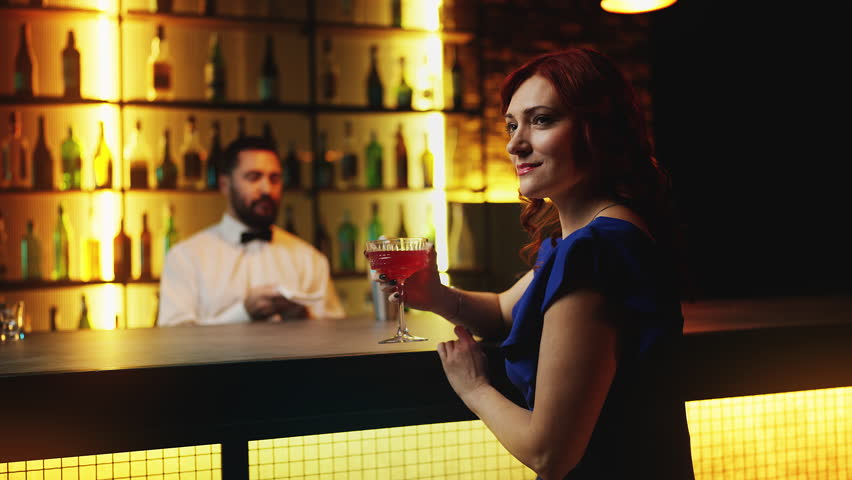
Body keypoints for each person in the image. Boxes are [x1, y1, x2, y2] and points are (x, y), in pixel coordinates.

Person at [376, 48, 694, 479]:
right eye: (511, 125)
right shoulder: (592, 236)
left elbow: (549, 453)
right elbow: (505, 310)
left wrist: (474, 388)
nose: (514, 143)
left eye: (541, 120)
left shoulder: (596, 250)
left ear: (596, 131)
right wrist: (435, 295)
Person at [158, 136, 344, 326]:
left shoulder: (310, 260)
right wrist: (243, 312)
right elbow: (176, 341)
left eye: (275, 178)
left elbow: (334, 333)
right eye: (253, 177)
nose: (266, 189)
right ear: (225, 185)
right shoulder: (185, 258)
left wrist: (305, 317)